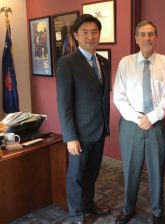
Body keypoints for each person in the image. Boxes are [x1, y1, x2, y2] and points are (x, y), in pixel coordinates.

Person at [113, 20, 165, 224]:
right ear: (136, 38)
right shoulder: (126, 63)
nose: (147, 38)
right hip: (132, 123)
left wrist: (152, 117)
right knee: (130, 168)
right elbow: (118, 97)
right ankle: (128, 208)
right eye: (142, 34)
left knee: (157, 169)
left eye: (151, 34)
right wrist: (138, 118)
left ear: (156, 37)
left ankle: (157, 212)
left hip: (158, 123)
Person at [56, 14, 111, 224]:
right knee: (76, 176)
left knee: (92, 172)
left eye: (94, 32)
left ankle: (88, 204)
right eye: (85, 32)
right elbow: (64, 103)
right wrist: (70, 137)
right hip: (79, 133)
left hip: (99, 129)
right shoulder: (67, 63)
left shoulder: (104, 62)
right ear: (76, 36)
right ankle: (76, 214)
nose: (91, 36)